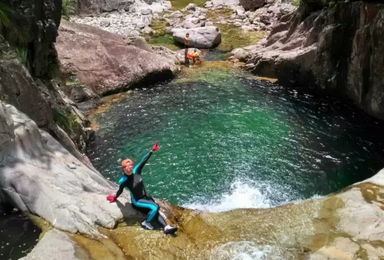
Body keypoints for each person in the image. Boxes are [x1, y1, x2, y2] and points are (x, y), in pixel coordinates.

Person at [106, 142, 177, 235]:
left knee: (155, 210)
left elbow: (143, 161)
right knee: (155, 207)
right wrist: (115, 198)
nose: (129, 168)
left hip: (145, 197)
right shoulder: (123, 180)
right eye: (126, 167)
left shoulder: (136, 171)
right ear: (123, 169)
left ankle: (165, 227)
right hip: (137, 201)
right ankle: (146, 223)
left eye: (130, 165)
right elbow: (120, 190)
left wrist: (152, 151)